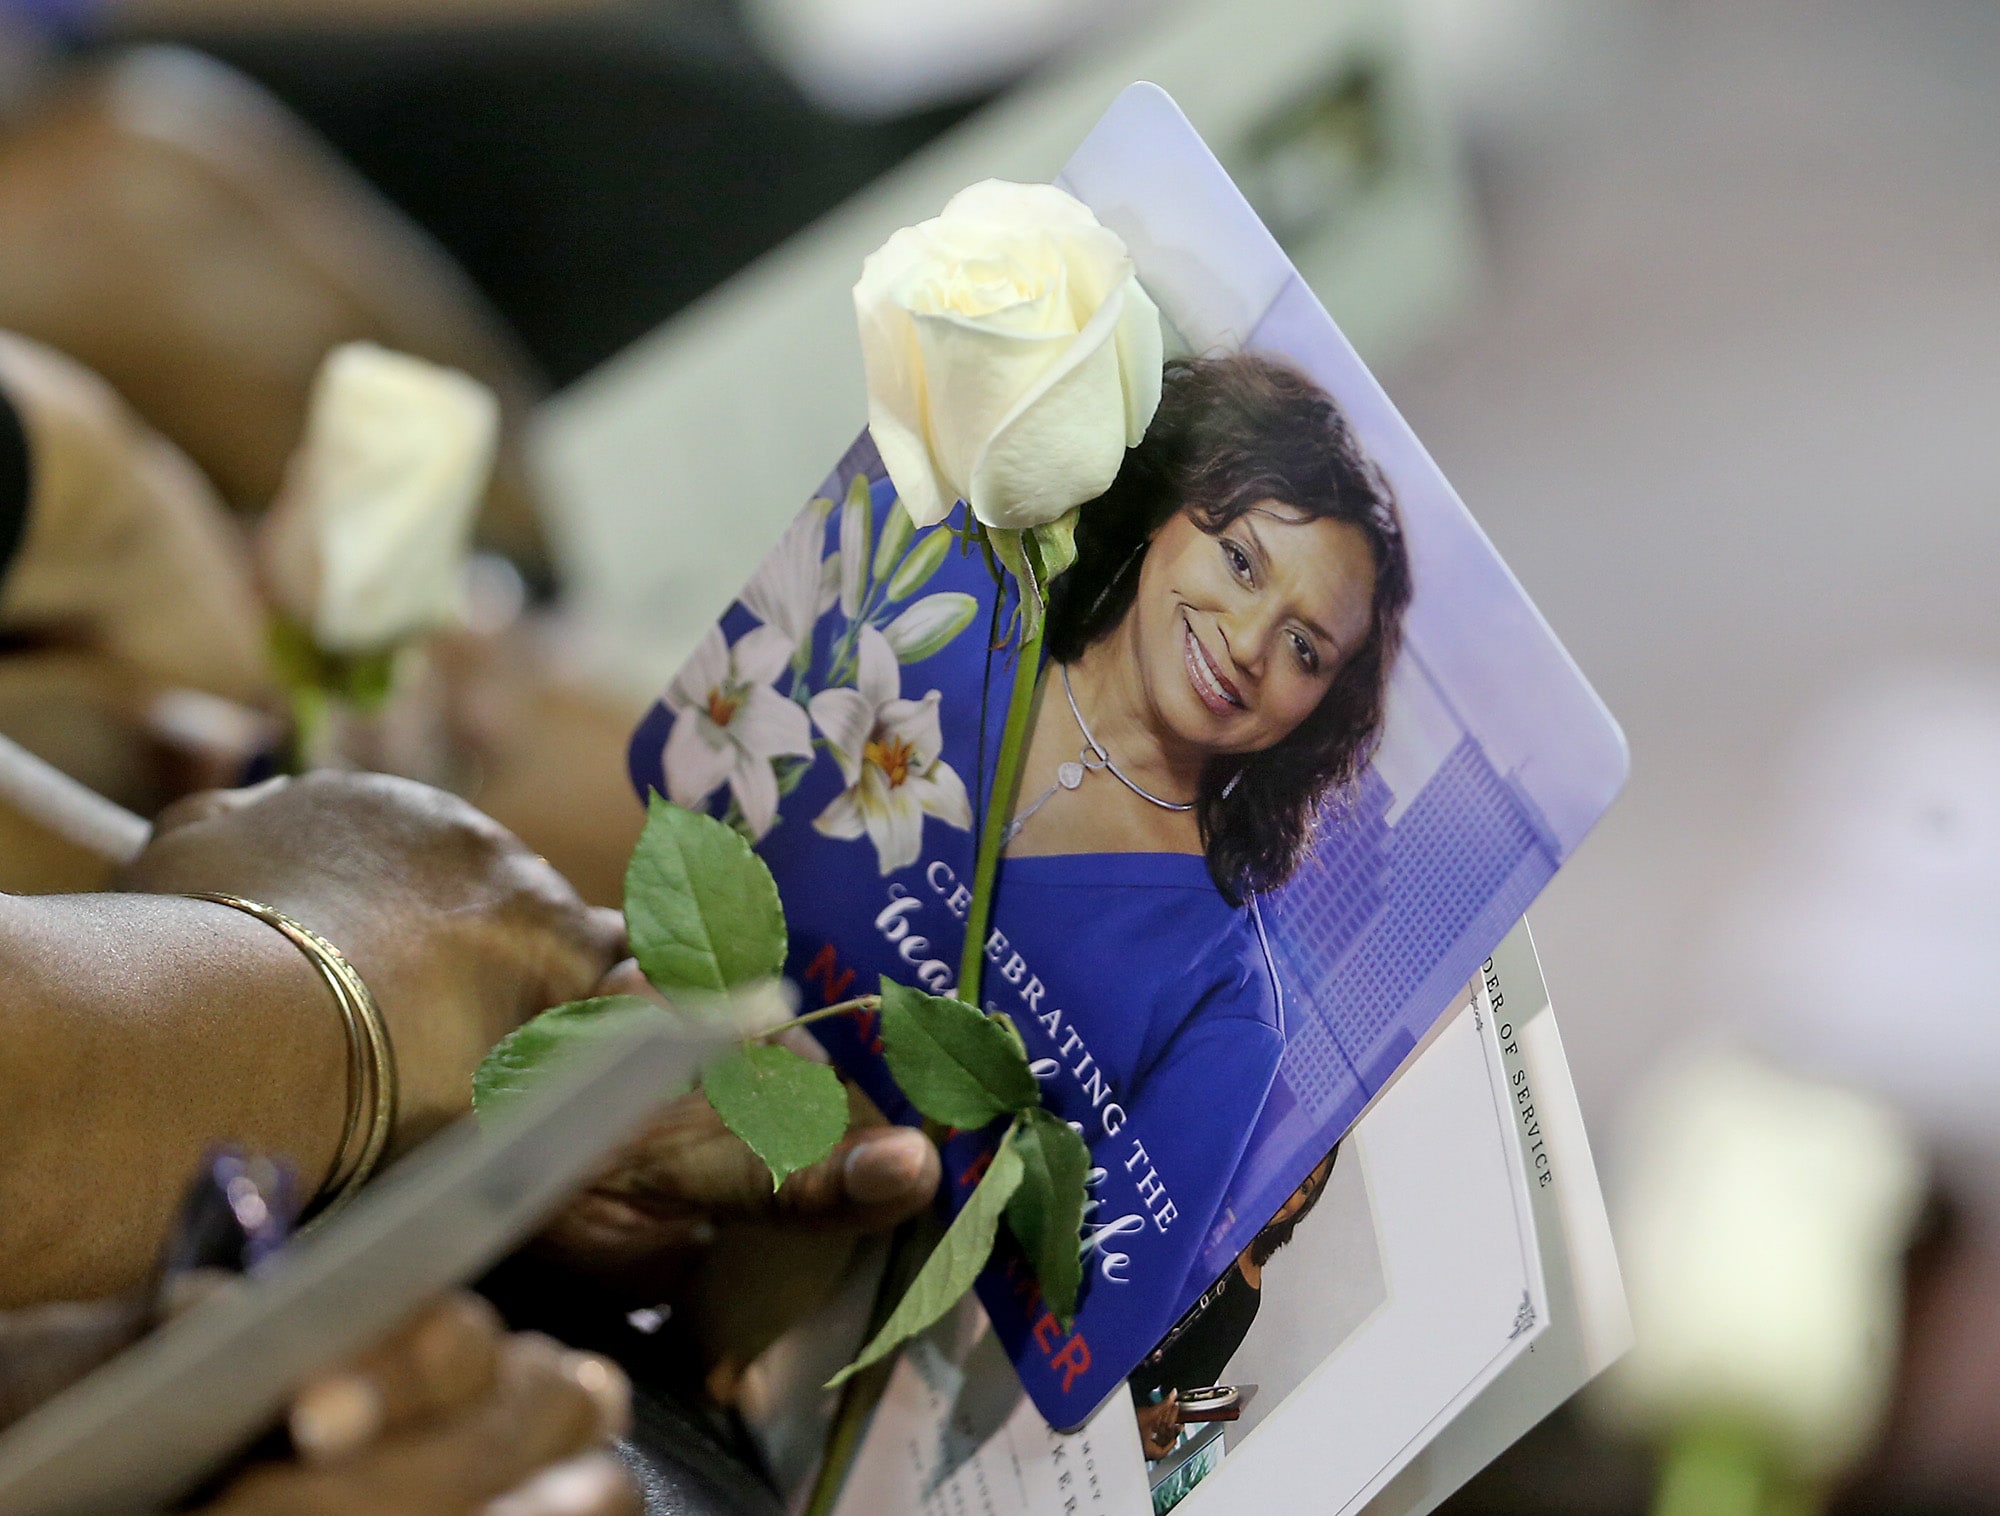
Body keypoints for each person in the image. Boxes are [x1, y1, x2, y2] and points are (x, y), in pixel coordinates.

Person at [628, 348, 1411, 1409]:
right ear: (1169, 507)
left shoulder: (1222, 1010)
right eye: (1238, 559)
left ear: (1323, 707)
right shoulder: (944, 608)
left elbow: (1075, 1332)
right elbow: (685, 764)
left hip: (775, 1378)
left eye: (1305, 648)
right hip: (617, 1073)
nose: (1244, 642)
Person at [1128, 1145, 1339, 1461]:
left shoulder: (1244, 1297)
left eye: (1305, 1186)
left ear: (1303, 1206)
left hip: (1104, 1411)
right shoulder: (1196, 1181)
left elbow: (1178, 1396)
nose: (1290, 1186)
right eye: (1290, 1160)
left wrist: (1146, 1425)